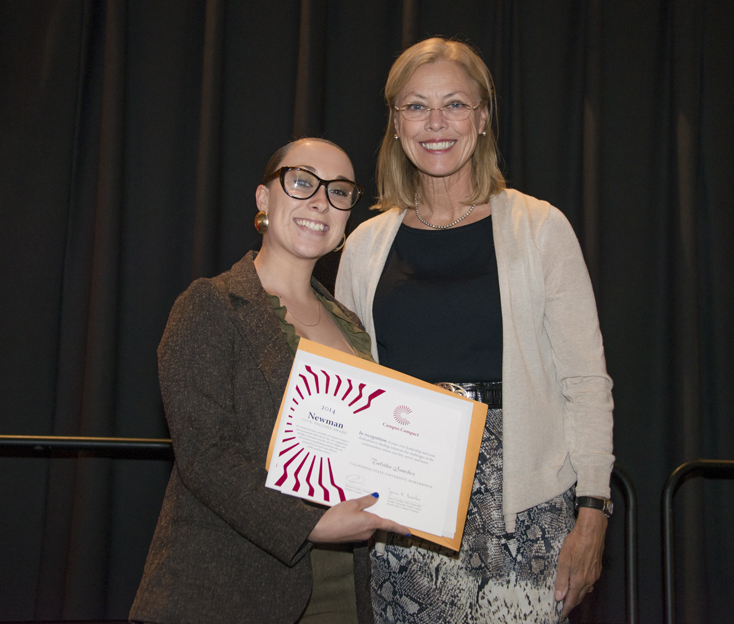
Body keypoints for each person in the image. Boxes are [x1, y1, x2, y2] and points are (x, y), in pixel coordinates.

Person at [335, 38, 615, 623]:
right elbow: (346, 386)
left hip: (526, 513)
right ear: (394, 122)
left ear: (482, 118)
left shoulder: (540, 229)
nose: (435, 124)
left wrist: (593, 513)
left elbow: (586, 382)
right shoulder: (364, 246)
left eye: (454, 105)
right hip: (406, 518)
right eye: (416, 107)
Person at [130, 138, 408, 624]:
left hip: (343, 594)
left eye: (339, 192)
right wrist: (310, 524)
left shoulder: (351, 326)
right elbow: (205, 455)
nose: (321, 202)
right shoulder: (210, 305)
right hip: (231, 592)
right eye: (302, 183)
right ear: (264, 199)